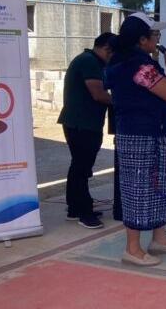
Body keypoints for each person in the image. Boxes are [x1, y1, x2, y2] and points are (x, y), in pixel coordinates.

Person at [105, 13, 166, 267]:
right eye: (155, 35)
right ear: (142, 40)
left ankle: (159, 237)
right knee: (139, 190)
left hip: (156, 133)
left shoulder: (139, 62)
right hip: (141, 136)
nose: (158, 39)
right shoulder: (138, 68)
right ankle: (132, 249)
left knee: (162, 185)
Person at [57, 32, 114, 229]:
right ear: (107, 49)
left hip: (82, 123)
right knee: (81, 168)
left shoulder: (89, 60)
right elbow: (98, 94)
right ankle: (84, 213)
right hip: (82, 124)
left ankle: (75, 208)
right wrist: (125, 101)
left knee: (79, 167)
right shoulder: (90, 62)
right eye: (113, 53)